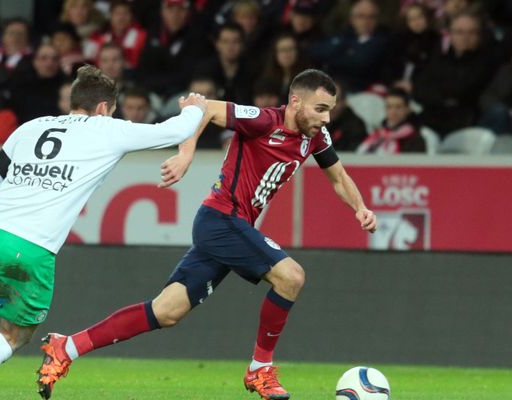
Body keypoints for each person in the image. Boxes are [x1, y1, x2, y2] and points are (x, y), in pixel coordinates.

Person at [35, 69, 377, 400]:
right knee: (291, 277)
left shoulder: (315, 136)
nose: (326, 118)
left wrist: (359, 207)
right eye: (320, 109)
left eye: (329, 110)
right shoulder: (262, 120)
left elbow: (338, 176)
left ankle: (68, 346)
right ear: (296, 102)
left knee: (166, 310)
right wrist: (185, 155)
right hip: (221, 219)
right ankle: (260, 368)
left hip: (231, 227)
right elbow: (206, 109)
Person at [0, 65, 206, 400]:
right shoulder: (107, 130)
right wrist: (195, 106)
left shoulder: (31, 127)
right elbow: (174, 130)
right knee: (15, 335)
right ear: (102, 109)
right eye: (110, 110)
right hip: (30, 245)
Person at [357, 87, 426, 154]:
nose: (393, 111)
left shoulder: (415, 139)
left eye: (398, 107)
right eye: (389, 107)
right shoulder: (377, 135)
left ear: (407, 109)